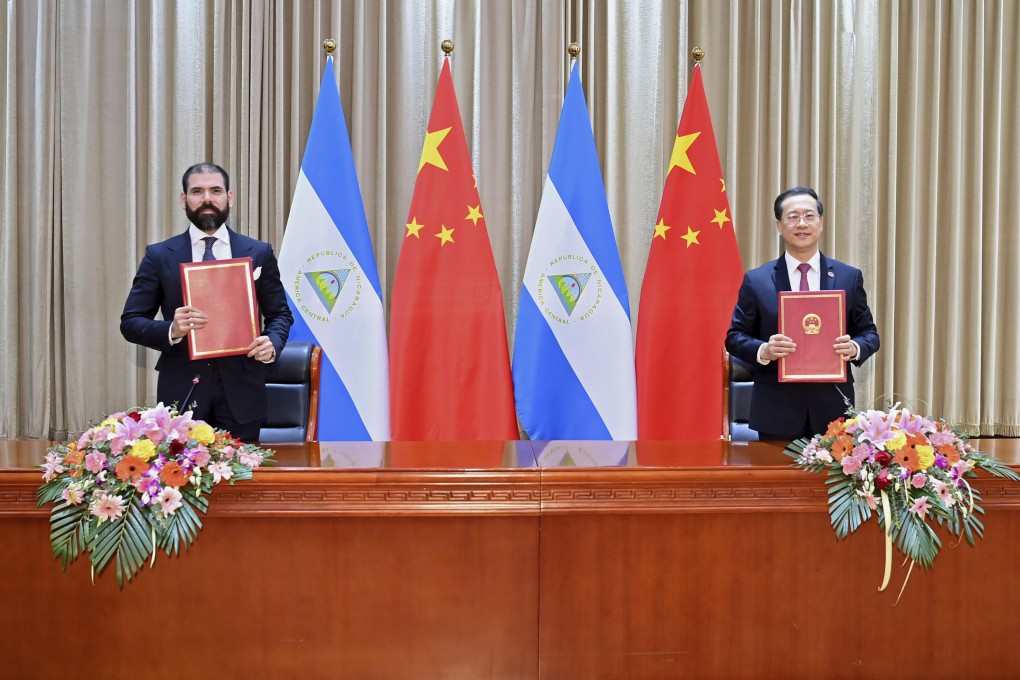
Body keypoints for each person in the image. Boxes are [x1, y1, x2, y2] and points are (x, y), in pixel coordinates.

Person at [121, 163, 292, 442]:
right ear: (183, 199)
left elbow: (280, 314)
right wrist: (172, 329)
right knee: (182, 471)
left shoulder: (259, 252)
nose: (207, 199)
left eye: (216, 191)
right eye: (197, 191)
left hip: (243, 395)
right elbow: (130, 322)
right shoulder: (159, 255)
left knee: (243, 470)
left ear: (229, 198)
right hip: (182, 393)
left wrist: (272, 343)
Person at [725, 186, 880, 440]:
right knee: (775, 469)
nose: (802, 224)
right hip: (776, 410)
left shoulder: (848, 277)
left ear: (820, 222)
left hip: (833, 410)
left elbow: (869, 334)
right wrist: (764, 350)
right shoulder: (757, 280)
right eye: (792, 216)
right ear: (779, 226)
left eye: (809, 216)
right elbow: (734, 337)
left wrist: (854, 347)